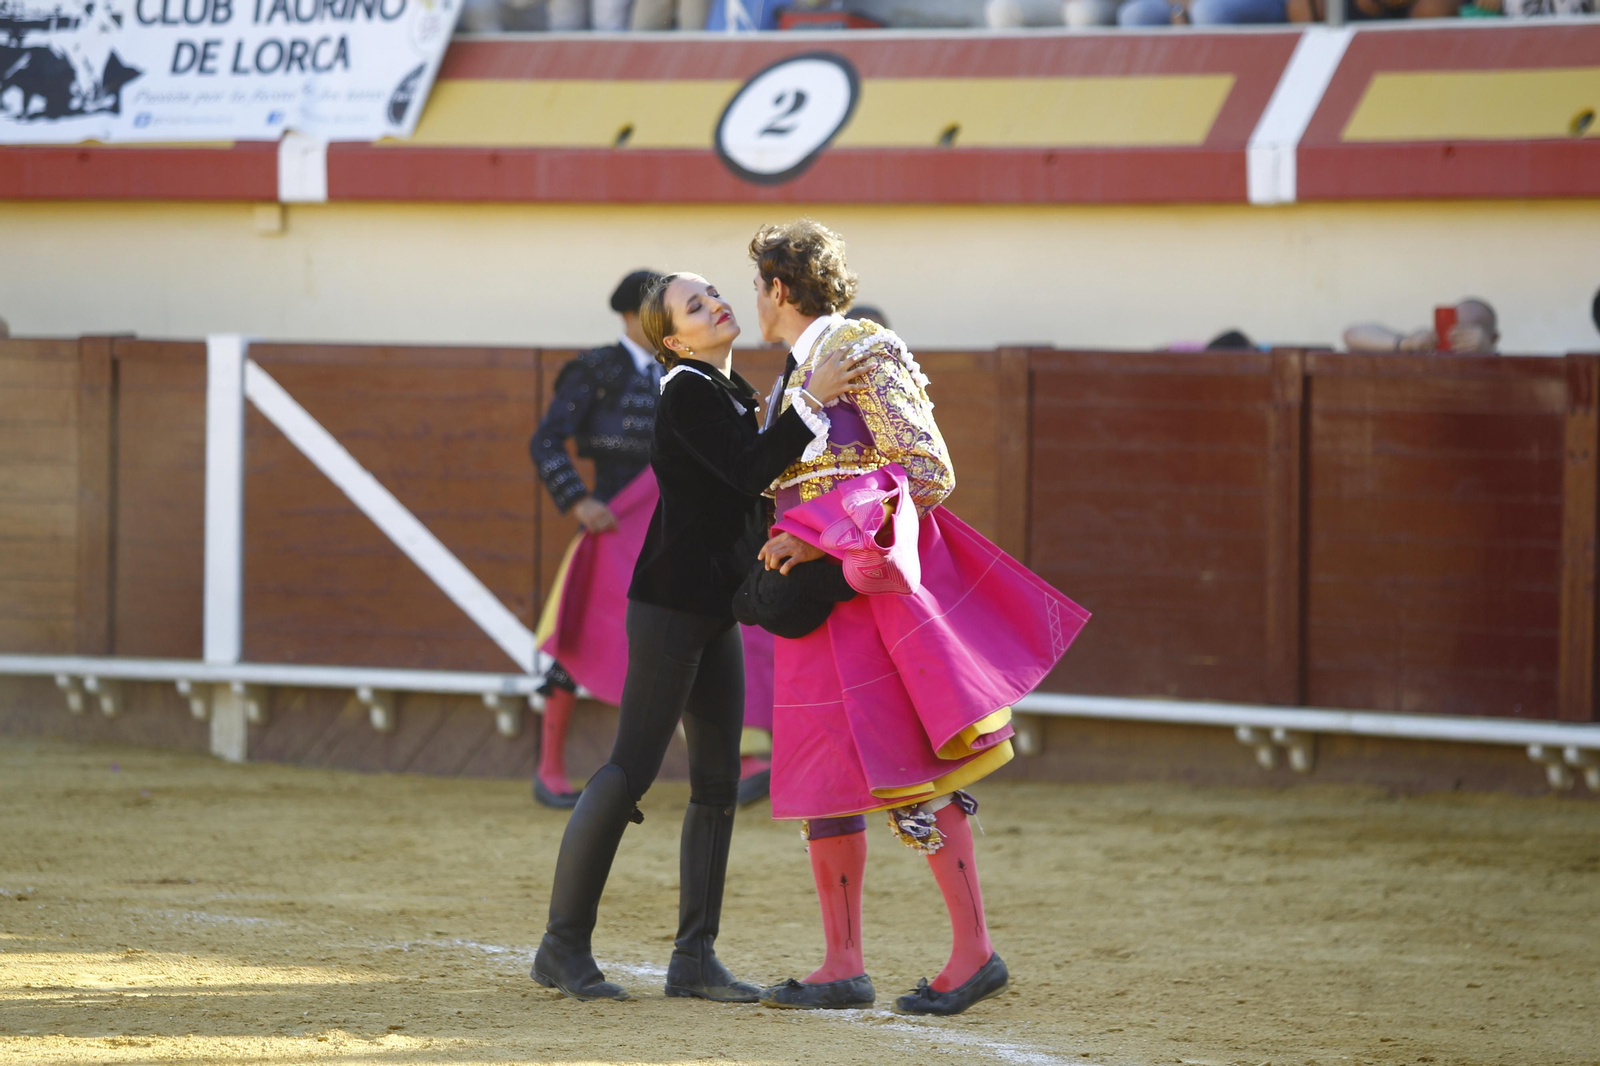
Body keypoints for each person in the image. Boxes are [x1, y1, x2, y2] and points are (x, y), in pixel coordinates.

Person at [744, 221, 1089, 1017]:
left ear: (781, 288)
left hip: (873, 595)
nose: (754, 301)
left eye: (757, 286)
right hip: (818, 604)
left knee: (915, 769)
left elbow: (928, 471)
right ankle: (841, 963)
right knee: (828, 773)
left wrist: (815, 533)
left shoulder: (867, 348)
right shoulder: (793, 374)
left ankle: (975, 953)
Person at [531, 272, 868, 1003]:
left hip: (712, 606)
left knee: (717, 784)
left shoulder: (725, 390)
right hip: (669, 608)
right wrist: (814, 403)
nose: (716, 302)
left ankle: (693, 961)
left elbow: (749, 482)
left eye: (714, 291)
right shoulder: (685, 386)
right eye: (695, 304)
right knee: (629, 770)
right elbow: (750, 467)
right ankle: (561, 947)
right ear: (674, 339)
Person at [529, 270, 663, 808]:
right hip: (611, 521)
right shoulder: (595, 370)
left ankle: (745, 757)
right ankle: (549, 767)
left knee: (694, 632)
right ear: (630, 315)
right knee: (579, 636)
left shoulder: (685, 371)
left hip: (668, 523)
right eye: (657, 311)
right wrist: (577, 501)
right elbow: (545, 442)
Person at [1343, 297, 1499, 354]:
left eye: (1472, 330)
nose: (1461, 336)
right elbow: (1353, 334)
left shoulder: (1503, 369)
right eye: (1454, 326)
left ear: (1493, 339)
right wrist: (1406, 343)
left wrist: (1487, 353)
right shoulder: (1426, 350)